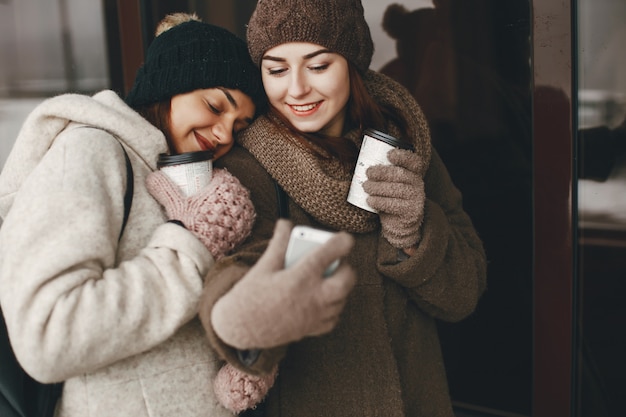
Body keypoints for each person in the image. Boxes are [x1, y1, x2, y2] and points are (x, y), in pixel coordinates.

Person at [197, 1, 487, 416]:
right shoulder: (246, 167)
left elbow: (464, 295)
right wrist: (240, 314)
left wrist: (414, 232)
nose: (296, 89)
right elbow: (229, 279)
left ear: (352, 65)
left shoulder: (406, 142)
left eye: (318, 66)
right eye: (277, 69)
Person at [0, 12, 270, 417]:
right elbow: (47, 335)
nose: (225, 133)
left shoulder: (172, 171)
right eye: (215, 106)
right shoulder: (90, 151)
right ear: (169, 85)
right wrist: (190, 248)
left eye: (239, 124)